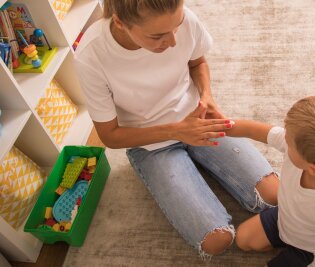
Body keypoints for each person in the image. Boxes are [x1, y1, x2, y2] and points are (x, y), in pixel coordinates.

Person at [74, 0, 279, 257]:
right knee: (217, 241)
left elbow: (197, 63)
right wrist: (176, 131)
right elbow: (109, 135)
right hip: (150, 145)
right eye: (157, 36)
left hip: (197, 119)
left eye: (177, 27)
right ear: (120, 23)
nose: (172, 42)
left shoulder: (182, 20)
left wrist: (206, 97)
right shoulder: (92, 56)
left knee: (273, 195)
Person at [226, 94, 315, 267]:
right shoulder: (300, 150)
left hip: (312, 251)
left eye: (288, 141)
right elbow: (254, 130)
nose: (284, 138)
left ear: (312, 168)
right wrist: (219, 126)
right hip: (285, 217)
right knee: (243, 238)